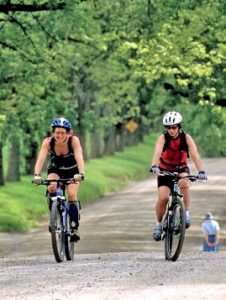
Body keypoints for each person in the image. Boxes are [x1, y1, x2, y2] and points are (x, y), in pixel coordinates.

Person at [150, 111, 207, 241]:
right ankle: (158, 224)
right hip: (165, 170)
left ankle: (185, 212)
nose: (171, 130)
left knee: (185, 183)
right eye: (168, 127)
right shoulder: (163, 138)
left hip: (181, 168)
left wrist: (201, 171)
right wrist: (154, 166)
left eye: (174, 127)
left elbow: (195, 155)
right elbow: (157, 152)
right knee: (163, 198)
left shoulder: (186, 138)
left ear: (179, 126)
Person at [33, 117, 85, 242]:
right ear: (53, 132)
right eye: (57, 132)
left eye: (62, 132)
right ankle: (54, 216)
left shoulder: (74, 141)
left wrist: (81, 173)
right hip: (55, 169)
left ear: (68, 132)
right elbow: (41, 159)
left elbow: (79, 156)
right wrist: (37, 175)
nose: (59, 135)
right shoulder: (48, 142)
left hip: (73, 171)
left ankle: (73, 228)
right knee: (51, 186)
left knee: (72, 194)